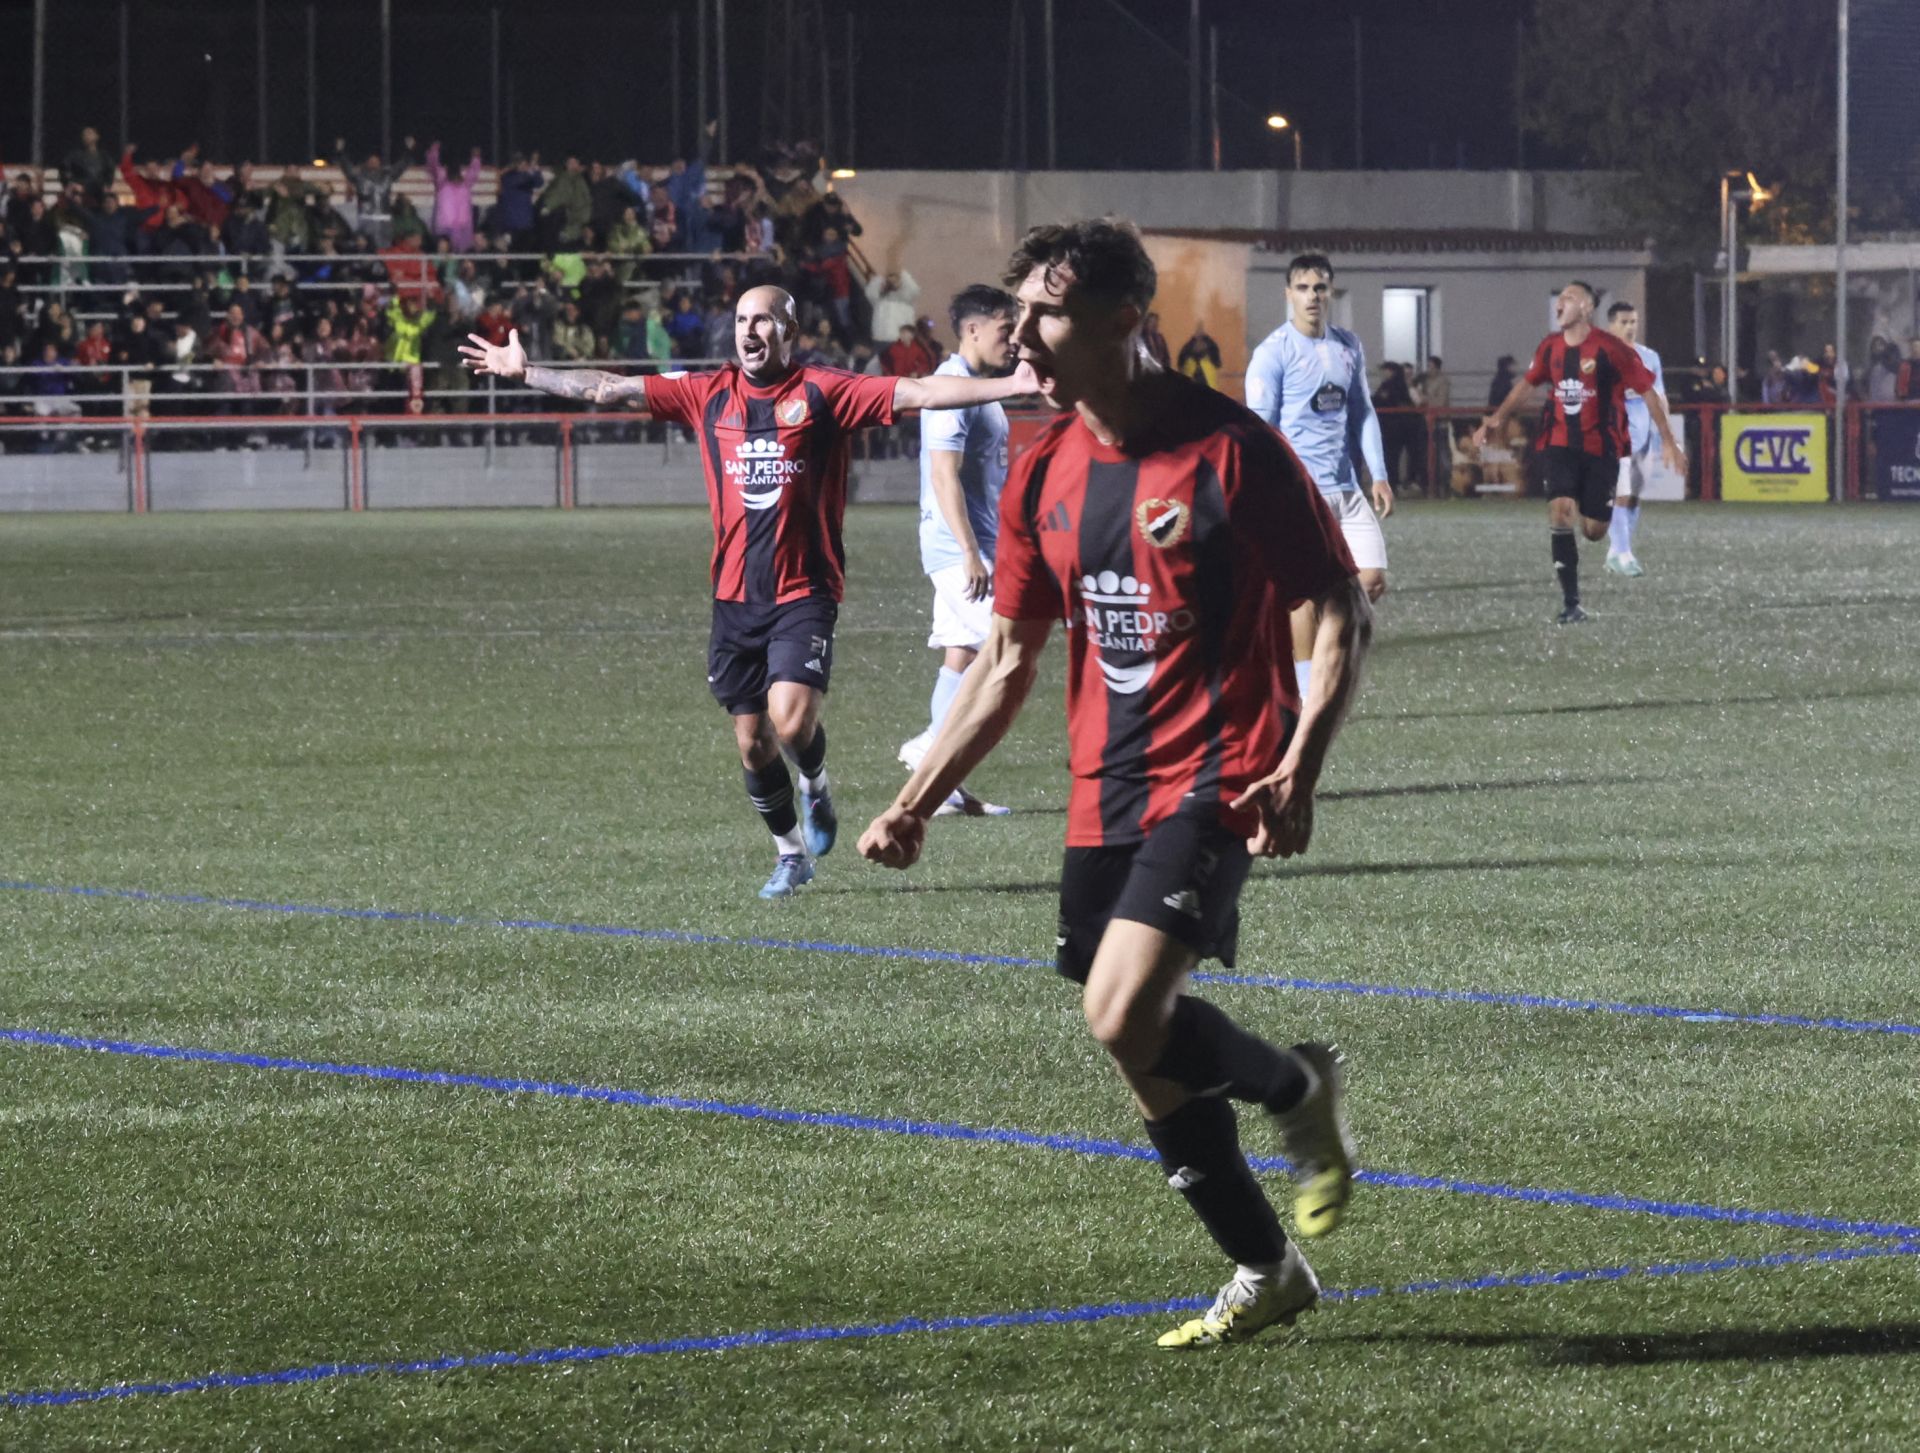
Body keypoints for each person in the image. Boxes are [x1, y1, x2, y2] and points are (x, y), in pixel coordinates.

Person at [858, 218, 1370, 1350]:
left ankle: (1291, 1092)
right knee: (1139, 1047)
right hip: (1106, 784)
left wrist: (1301, 762)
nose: (1023, 335)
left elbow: (1338, 607)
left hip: (1221, 771)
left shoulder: (1231, 451)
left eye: (1045, 312)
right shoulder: (1042, 468)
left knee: (1121, 1008)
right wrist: (915, 798)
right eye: (1021, 311)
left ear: (1123, 321)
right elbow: (1004, 665)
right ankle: (1266, 1263)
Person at [460, 285, 1037, 898]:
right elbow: (609, 387)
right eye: (740, 319)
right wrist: (526, 373)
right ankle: (790, 853)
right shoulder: (707, 392)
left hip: (804, 592)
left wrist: (1012, 385)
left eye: (764, 319)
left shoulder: (824, 390)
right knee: (752, 741)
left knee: (790, 723)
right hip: (734, 597)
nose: (749, 330)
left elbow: (920, 392)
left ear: (790, 330)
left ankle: (814, 781)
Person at [1474, 280, 1684, 624]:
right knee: (1559, 512)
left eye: (1569, 299)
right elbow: (1527, 384)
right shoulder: (1550, 348)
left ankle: (1606, 542)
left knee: (1593, 530)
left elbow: (1647, 392)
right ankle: (1571, 603)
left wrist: (1669, 441)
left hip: (1601, 450)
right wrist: (1496, 419)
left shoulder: (1610, 349)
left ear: (1586, 308)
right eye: (1559, 299)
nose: (1559, 304)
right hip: (1559, 445)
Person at [895, 285, 1020, 818]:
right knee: (1004, 650)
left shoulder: (977, 387)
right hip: (957, 548)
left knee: (962, 656)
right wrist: (970, 553)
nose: (1013, 340)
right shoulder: (950, 386)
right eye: (1004, 329)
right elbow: (943, 473)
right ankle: (932, 750)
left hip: (976, 543)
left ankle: (944, 785)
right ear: (973, 329)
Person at [1245, 253, 1391, 703]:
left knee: (1371, 579)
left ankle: (1306, 661)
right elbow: (1259, 428)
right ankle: (1307, 692)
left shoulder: (1347, 345)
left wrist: (1379, 475)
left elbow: (1362, 412)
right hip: (1299, 490)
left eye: (1320, 287)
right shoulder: (1274, 353)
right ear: (1289, 294)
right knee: (1305, 595)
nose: (1313, 296)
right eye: (1304, 288)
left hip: (1345, 488)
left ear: (1331, 293)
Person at [1601, 301, 1667, 578]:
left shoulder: (1649, 357)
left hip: (1644, 434)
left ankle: (1616, 551)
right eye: (1624, 322)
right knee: (1622, 493)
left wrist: (1667, 436)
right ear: (1611, 325)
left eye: (1633, 322)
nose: (1630, 328)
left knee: (1635, 495)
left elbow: (1659, 396)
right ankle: (1624, 553)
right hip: (1613, 433)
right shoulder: (1600, 356)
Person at [1176, 322, 1221, 388]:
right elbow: (1180, 362)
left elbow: (1216, 358)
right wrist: (1193, 340)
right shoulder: (1188, 360)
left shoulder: (1210, 359)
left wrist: (1206, 338)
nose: (1199, 346)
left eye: (1202, 343)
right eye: (1197, 343)